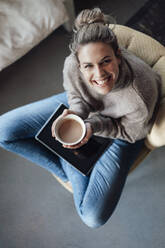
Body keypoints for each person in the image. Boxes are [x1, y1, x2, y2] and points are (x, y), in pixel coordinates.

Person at [0, 8, 161, 228]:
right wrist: (76, 113)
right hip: (87, 111)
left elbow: (131, 132)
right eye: (88, 66)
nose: (99, 75)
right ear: (78, 63)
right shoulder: (72, 65)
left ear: (119, 55)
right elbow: (75, 94)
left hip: (124, 132)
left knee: (92, 217)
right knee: (4, 131)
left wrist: (92, 126)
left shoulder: (140, 93)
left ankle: (69, 159)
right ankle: (68, 167)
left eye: (106, 61)